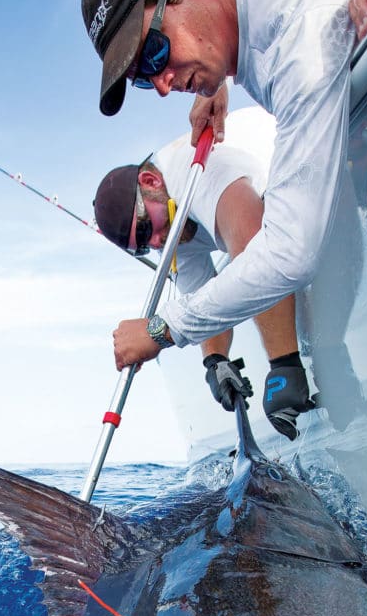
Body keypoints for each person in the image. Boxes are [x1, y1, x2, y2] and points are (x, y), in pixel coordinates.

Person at [80, 0, 367, 372]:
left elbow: (289, 251)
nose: (161, 85)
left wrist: (159, 331)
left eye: (153, 54)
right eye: (141, 78)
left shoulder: (299, 40)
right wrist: (219, 74)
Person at [93, 115, 315, 439]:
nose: (155, 243)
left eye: (145, 228)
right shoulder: (169, 234)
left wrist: (284, 364)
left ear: (151, 182)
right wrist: (216, 360)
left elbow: (261, 259)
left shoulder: (197, 171)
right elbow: (203, 298)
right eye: (142, 246)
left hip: (301, 173)